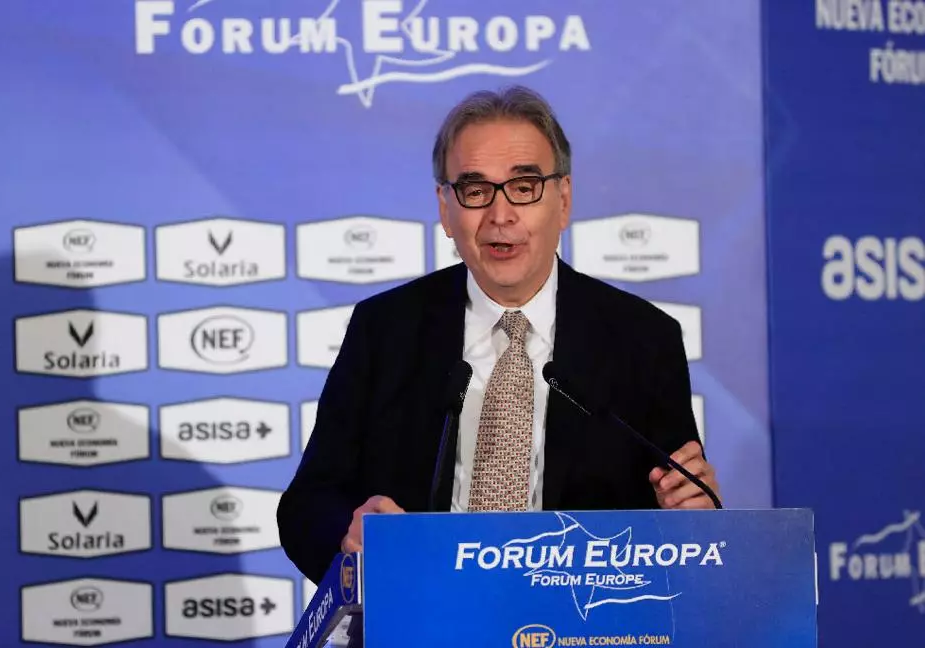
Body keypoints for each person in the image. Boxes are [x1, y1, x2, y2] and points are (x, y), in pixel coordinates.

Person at [277, 85, 720, 584]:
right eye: (475, 191)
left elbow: (682, 520)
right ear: (445, 209)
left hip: (580, 616)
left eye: (524, 187)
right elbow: (306, 505)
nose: (500, 214)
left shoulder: (643, 340)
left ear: (564, 200)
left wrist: (692, 515)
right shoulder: (384, 329)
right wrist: (348, 536)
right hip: (424, 609)